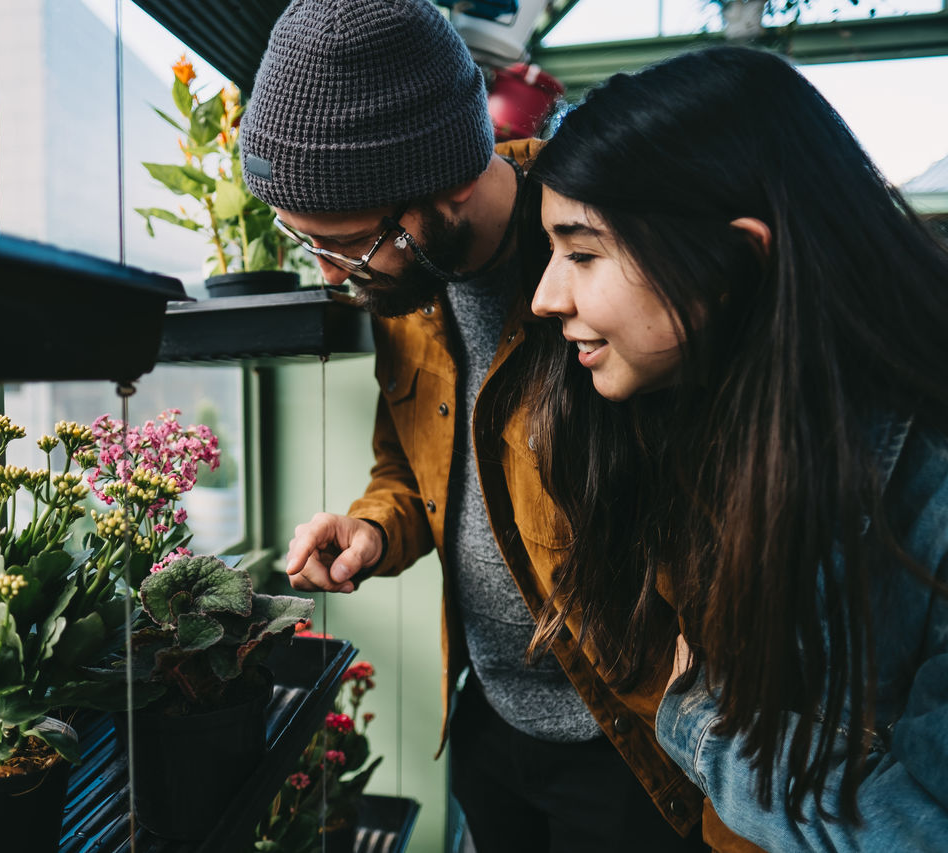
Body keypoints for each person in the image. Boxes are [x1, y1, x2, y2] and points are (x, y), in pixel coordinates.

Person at [239, 1, 709, 850]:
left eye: (342, 245)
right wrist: (374, 530)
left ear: (449, 183)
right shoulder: (402, 285)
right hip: (491, 718)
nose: (330, 276)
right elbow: (411, 468)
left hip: (628, 748)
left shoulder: (605, 265)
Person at [524, 44, 948, 852]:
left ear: (737, 259)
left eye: (582, 253)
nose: (546, 296)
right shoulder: (699, 402)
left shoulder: (929, 485)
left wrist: (698, 718)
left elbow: (923, 826)